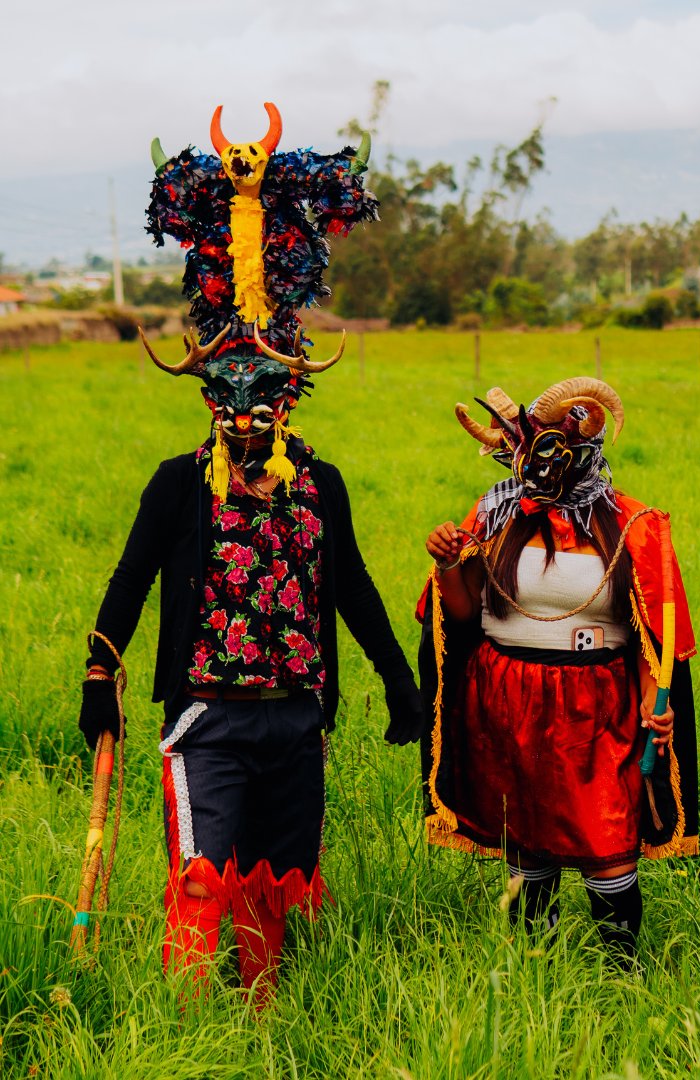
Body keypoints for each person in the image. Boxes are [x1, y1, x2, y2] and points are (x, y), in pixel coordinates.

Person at [77, 103, 422, 1005]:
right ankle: (191, 1030)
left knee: (279, 885)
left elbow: (350, 587)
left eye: (264, 386)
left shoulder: (320, 484)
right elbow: (130, 581)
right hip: (207, 721)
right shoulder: (178, 482)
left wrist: (394, 676)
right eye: (227, 389)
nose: (245, 406)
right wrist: (97, 672)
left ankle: (265, 1021)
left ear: (293, 391)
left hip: (296, 719)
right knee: (203, 877)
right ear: (207, 397)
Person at [418, 379, 698, 962]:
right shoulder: (496, 513)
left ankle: (622, 982)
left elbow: (657, 635)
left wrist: (656, 698)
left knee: (607, 837)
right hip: (509, 697)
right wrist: (448, 564)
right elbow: (464, 613)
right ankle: (537, 974)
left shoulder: (632, 524)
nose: (538, 471)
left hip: (597, 705)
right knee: (529, 843)